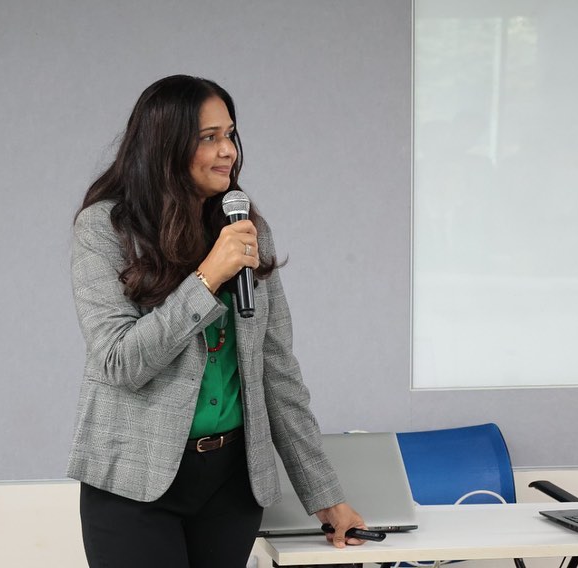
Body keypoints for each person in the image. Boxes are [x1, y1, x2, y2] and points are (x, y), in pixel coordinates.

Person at [67, 74, 366, 567]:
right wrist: (207, 278)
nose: (227, 150)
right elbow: (119, 361)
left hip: (230, 483)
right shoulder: (106, 229)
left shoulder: (245, 228)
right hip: (134, 481)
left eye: (230, 134)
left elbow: (277, 372)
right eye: (209, 138)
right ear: (164, 145)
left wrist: (325, 495)